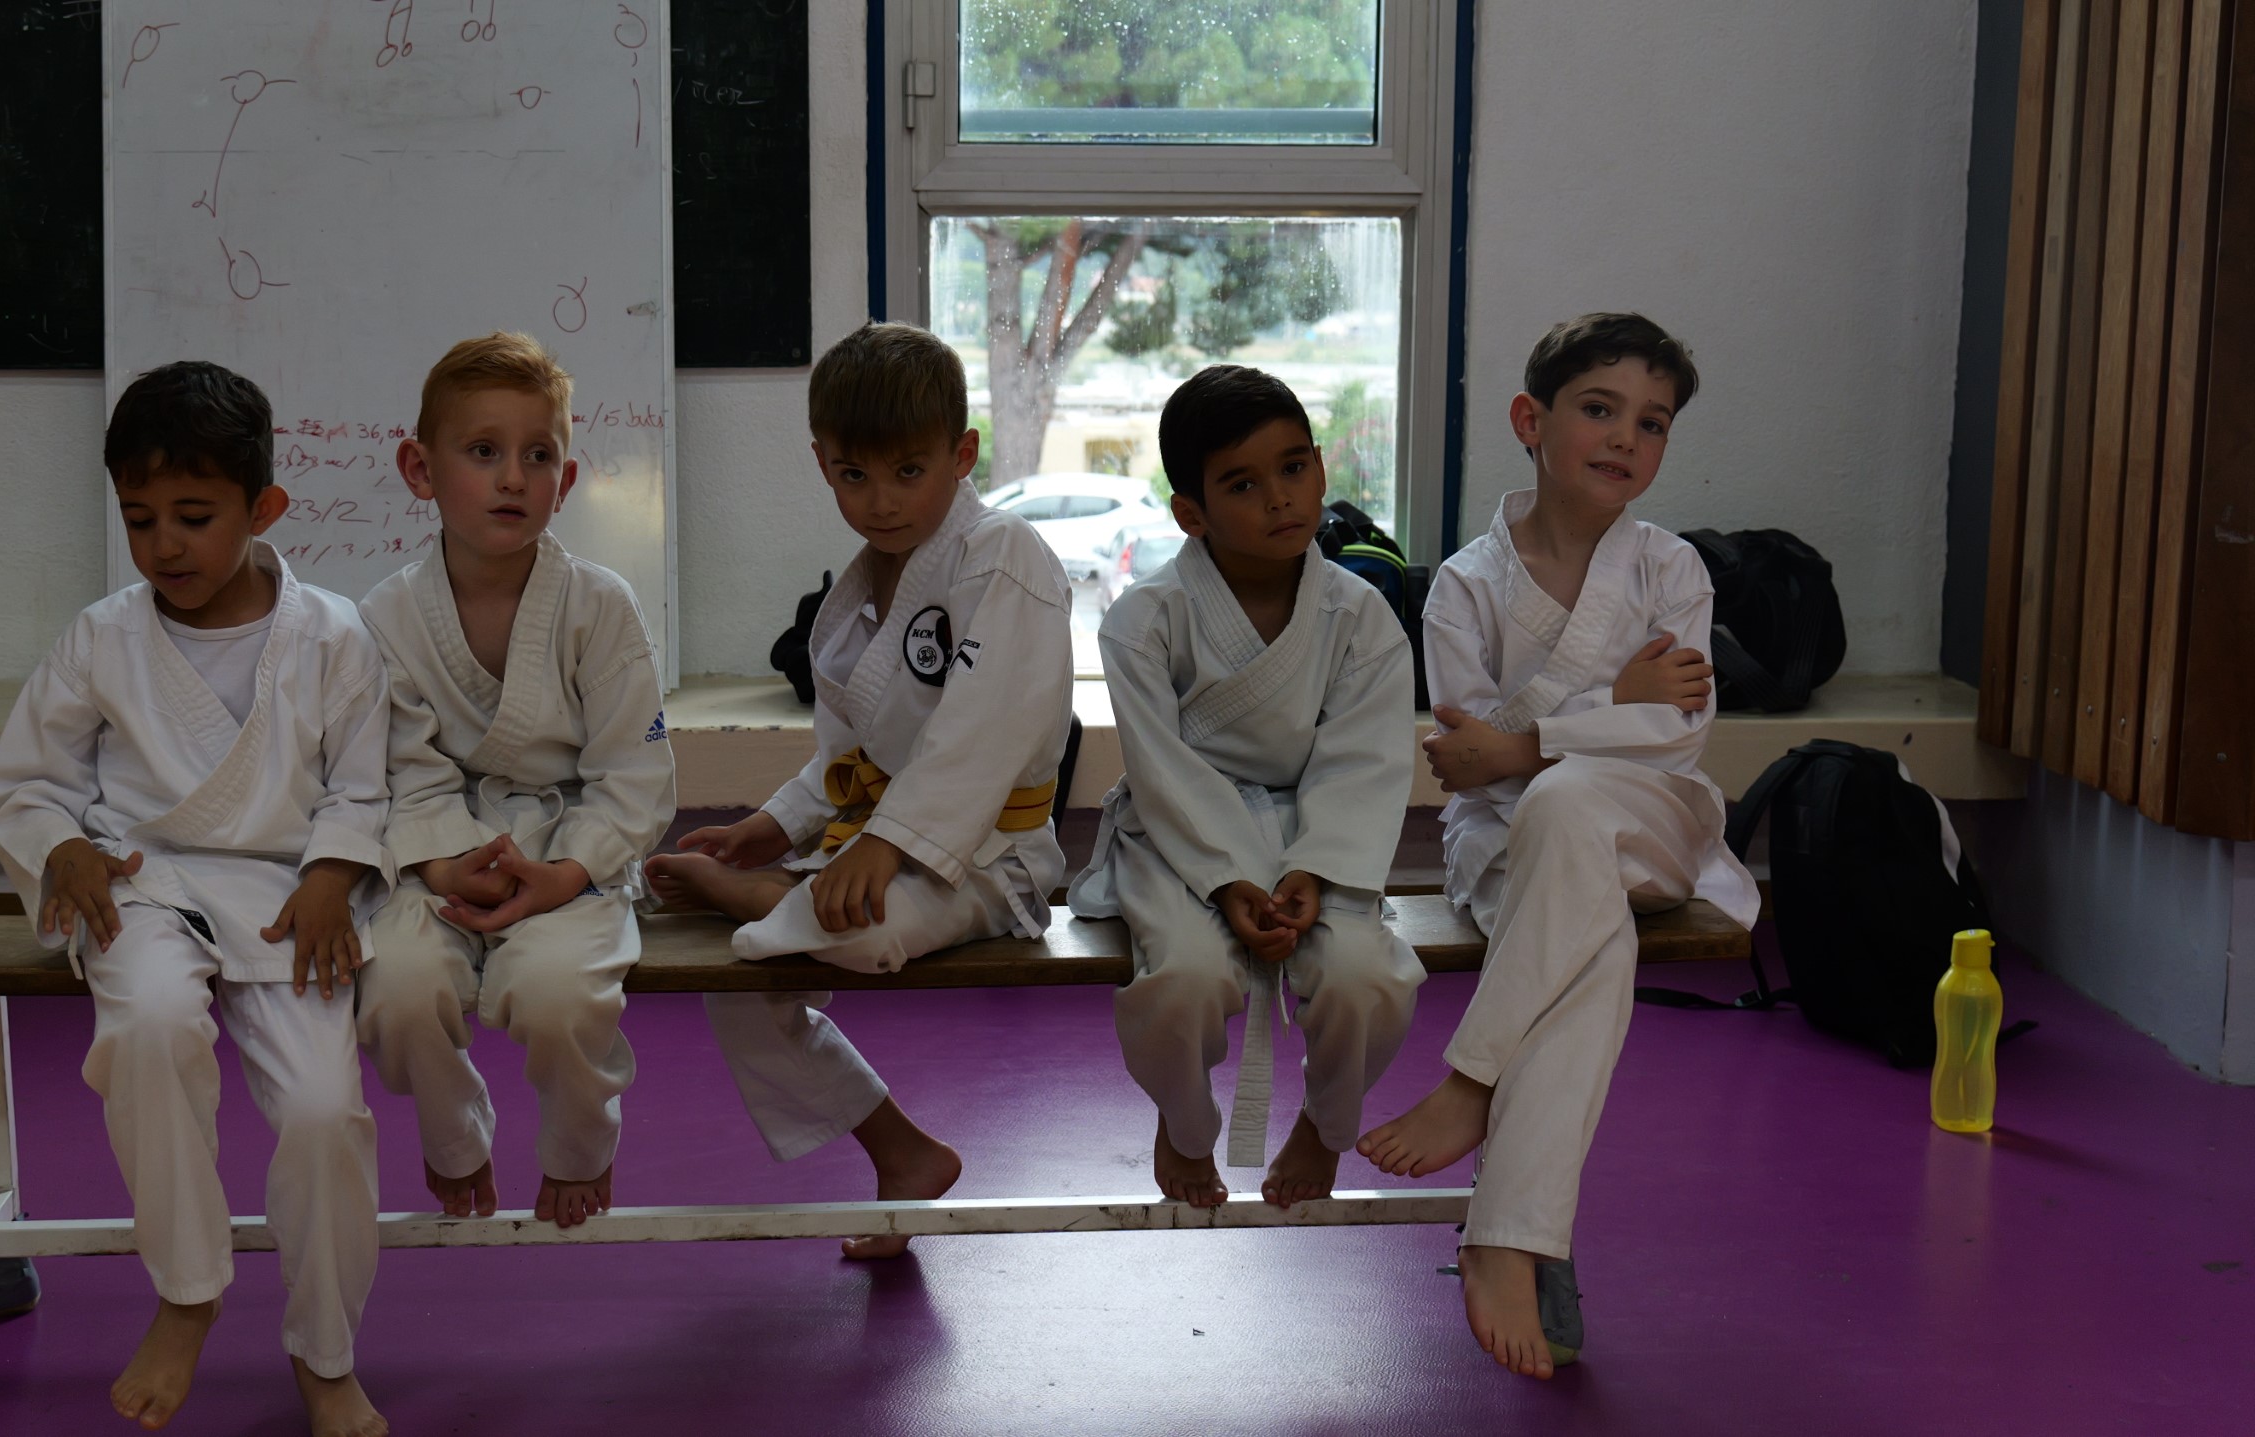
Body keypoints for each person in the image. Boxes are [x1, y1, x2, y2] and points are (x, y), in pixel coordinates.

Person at [0, 361, 394, 1436]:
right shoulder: (102, 637)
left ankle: (326, 1352)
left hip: (288, 899)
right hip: (142, 886)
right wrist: (63, 846)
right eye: (140, 519)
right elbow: (28, 782)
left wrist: (333, 872)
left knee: (323, 1111)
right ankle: (188, 1290)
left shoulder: (335, 634)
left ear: (264, 509)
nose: (165, 544)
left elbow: (363, 786)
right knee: (151, 1027)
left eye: (195, 517)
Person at [1356, 313, 1760, 1380]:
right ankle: (1509, 1236)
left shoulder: (1670, 569)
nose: (1626, 436)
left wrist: (1532, 740)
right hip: (1508, 844)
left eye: (1652, 422)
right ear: (1529, 420)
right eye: (1599, 408)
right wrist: (1600, 708)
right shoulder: (1464, 585)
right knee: (1593, 937)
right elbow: (1469, 762)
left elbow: (1672, 735)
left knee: (1573, 795)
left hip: (1654, 824)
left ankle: (1471, 1076)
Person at [645, 321, 1073, 1259]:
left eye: (908, 472)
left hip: (989, 859)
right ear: (822, 463)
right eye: (853, 474)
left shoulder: (1002, 554)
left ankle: (765, 899)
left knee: (864, 930)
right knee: (738, 986)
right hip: (887, 839)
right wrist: (774, 822)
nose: (880, 500)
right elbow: (852, 758)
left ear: (962, 454)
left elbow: (982, 731)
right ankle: (902, 1151)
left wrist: (888, 842)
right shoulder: (862, 588)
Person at [1069, 364, 1424, 1212]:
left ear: (1322, 468)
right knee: (1184, 978)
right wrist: (1228, 876)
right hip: (1179, 833)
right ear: (1190, 513)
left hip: (1319, 828)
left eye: (1295, 466)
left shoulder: (1360, 614)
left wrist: (1317, 867)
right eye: (1242, 483)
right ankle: (1184, 1121)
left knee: (1367, 978)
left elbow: (1364, 756)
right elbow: (1161, 766)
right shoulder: (1144, 620)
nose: (1280, 498)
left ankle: (1326, 1125)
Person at [352, 332, 676, 1230]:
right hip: (438, 856)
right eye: (483, 450)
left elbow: (634, 773)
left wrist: (566, 872)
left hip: (569, 853)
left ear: (564, 482)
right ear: (420, 469)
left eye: (538, 456)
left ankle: (580, 1144)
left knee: (559, 994)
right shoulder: (385, 616)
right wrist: (444, 861)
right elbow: (401, 769)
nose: (511, 478)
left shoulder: (601, 606)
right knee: (398, 988)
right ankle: (454, 1135)